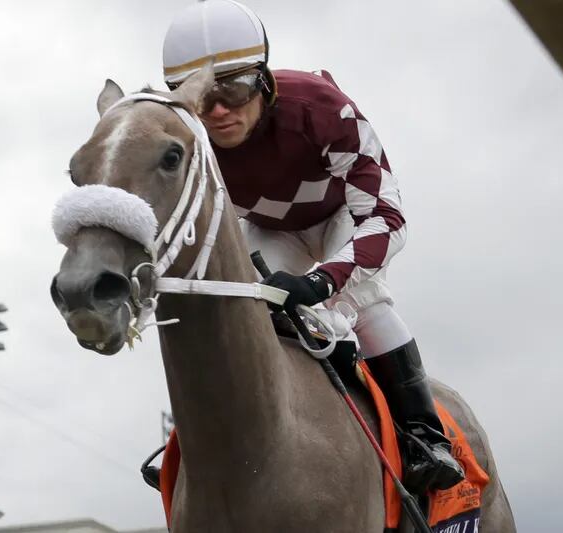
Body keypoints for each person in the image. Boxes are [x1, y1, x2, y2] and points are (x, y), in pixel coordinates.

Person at [160, 0, 464, 493]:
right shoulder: (188, 139)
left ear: (264, 80)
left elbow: (386, 217)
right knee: (241, 309)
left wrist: (321, 281)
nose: (217, 111)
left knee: (361, 304)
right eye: (199, 98)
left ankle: (424, 435)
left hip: (346, 212)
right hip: (271, 229)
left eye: (233, 88)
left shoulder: (323, 108)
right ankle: (199, 440)